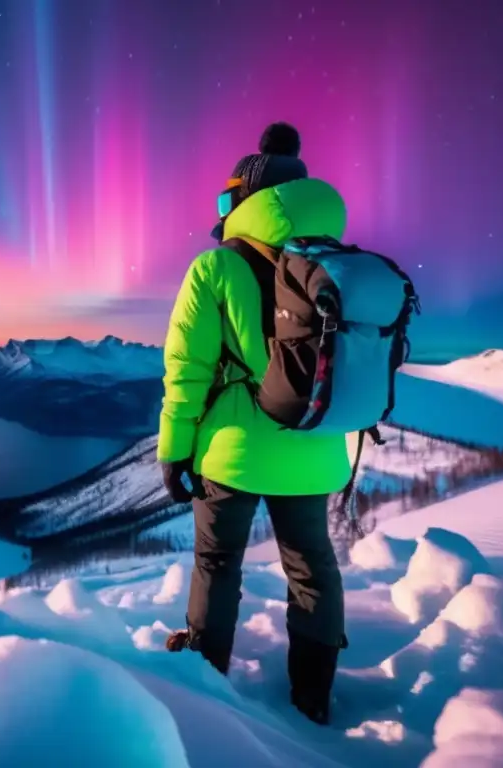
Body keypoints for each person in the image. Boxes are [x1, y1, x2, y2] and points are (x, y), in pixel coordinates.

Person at [157, 122, 350, 725]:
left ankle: (207, 690)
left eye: (227, 199)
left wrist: (174, 450)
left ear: (244, 199)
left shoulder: (216, 266)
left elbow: (187, 371)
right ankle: (313, 699)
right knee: (312, 565)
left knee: (218, 565)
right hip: (314, 442)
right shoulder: (337, 266)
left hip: (232, 452)